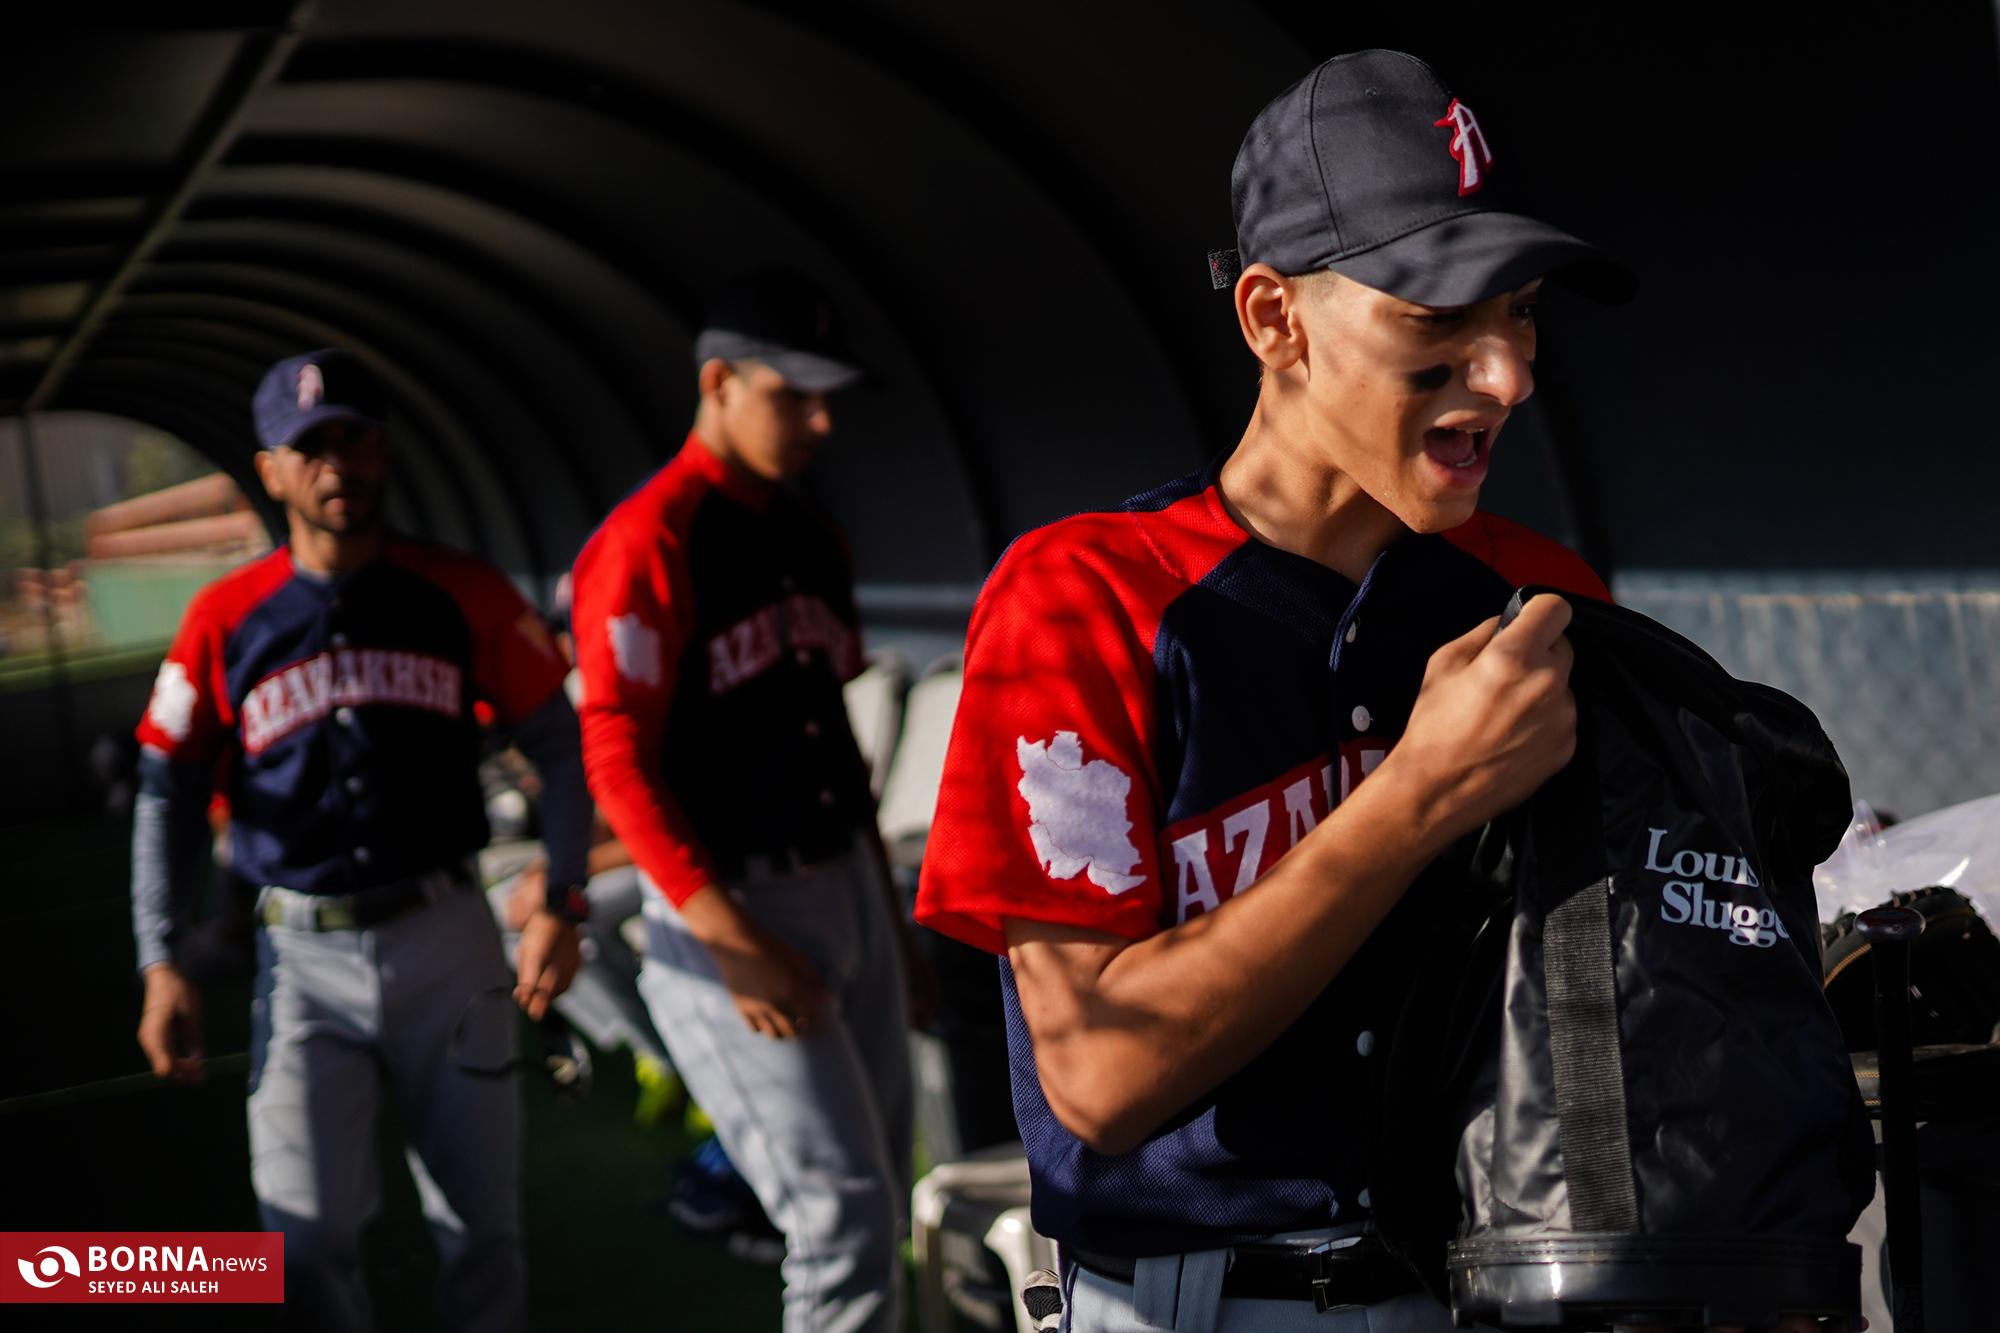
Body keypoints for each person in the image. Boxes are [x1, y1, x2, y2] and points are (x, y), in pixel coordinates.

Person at [915, 49, 1637, 1332]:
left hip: (1494, 1278)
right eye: (1438, 317)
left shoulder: (1541, 596)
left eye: (1521, 311)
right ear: (1273, 320)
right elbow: (1100, 1074)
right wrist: (1416, 794)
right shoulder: (1085, 596)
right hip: (1191, 1298)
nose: (1508, 375)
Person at [130, 348, 592, 1333]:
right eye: (312, 447)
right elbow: (166, 790)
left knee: (484, 1228)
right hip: (300, 953)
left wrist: (562, 897)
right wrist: (160, 959)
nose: (338, 464)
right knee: (301, 1243)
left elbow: (560, 740)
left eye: (356, 439)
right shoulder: (224, 617)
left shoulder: (460, 589)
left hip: (447, 934)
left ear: (386, 452)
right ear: (270, 470)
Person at [571, 269, 924, 1333]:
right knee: (841, 1220)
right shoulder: (650, 538)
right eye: (792, 393)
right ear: (717, 382)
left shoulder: (810, 534)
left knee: (882, 1190)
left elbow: (833, 740)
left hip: (845, 876)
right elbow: (615, 757)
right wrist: (729, 941)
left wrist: (890, 921)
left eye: (829, 397)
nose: (820, 421)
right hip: (734, 900)